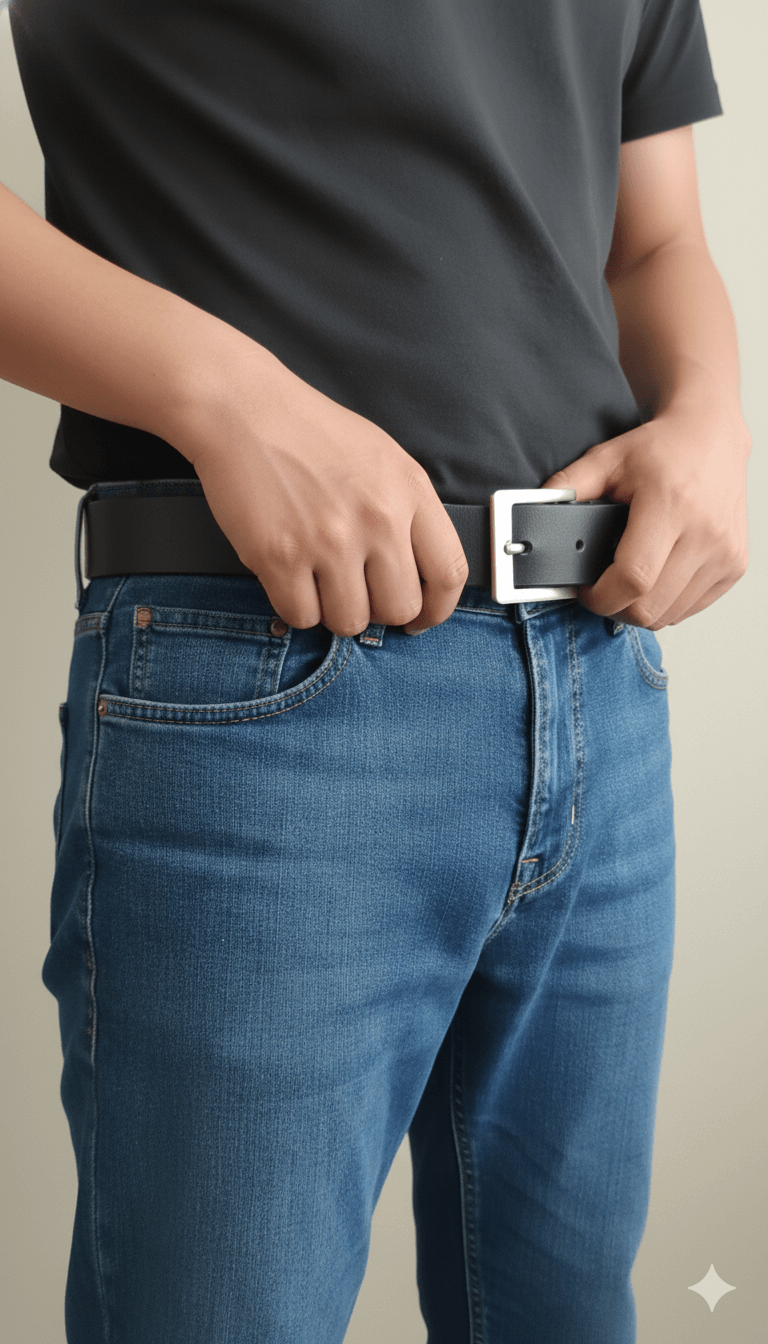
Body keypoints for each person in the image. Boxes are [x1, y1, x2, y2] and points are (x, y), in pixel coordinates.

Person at [1, 0, 750, 1340]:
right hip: (263, 685)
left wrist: (709, 417)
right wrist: (225, 398)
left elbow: (653, 241)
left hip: (600, 680)